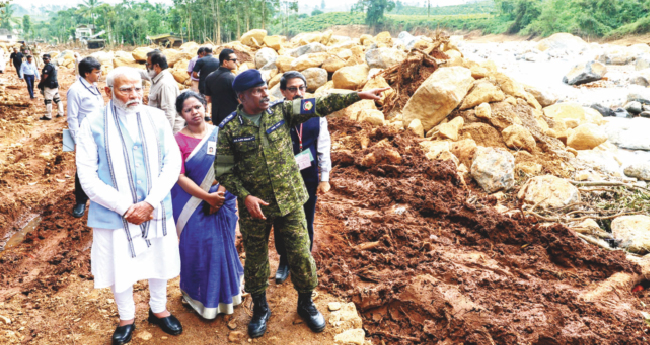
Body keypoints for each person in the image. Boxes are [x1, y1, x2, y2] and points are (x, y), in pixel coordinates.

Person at [214, 69, 388, 338]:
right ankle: (260, 308)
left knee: (301, 254)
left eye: (264, 88)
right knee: (257, 260)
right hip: (255, 208)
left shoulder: (281, 110)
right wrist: (245, 196)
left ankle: (306, 303)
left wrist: (358, 96)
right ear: (241, 97)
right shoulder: (229, 129)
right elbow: (224, 171)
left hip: (290, 200)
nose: (264, 94)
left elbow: (320, 104)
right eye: (257, 91)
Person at [75, 67, 183, 345]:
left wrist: (150, 202)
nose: (134, 94)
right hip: (113, 213)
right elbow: (86, 175)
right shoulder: (93, 123)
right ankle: (127, 318)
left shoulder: (156, 118)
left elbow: (171, 164)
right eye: (126, 89)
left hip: (155, 207)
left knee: (159, 259)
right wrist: (125, 207)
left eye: (138, 88)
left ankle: (158, 309)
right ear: (109, 92)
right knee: (118, 266)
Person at [171, 91, 244, 319]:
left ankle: (228, 294)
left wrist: (219, 196)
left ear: (205, 107)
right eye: (187, 109)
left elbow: (230, 165)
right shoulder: (177, 140)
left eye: (197, 107)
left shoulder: (220, 134)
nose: (194, 113)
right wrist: (207, 197)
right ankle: (198, 297)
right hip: (192, 204)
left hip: (222, 199)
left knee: (223, 246)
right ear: (181, 114)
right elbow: (179, 176)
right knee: (197, 249)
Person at [273, 72, 331, 285]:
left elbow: (323, 146)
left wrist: (324, 177)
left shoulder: (316, 113)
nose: (298, 93)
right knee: (281, 218)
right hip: (280, 176)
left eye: (301, 88)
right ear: (282, 91)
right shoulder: (275, 113)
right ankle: (284, 260)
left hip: (308, 174)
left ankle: (303, 259)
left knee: (307, 217)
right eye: (292, 89)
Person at [67, 57, 105, 218]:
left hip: (99, 132)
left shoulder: (93, 86)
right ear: (86, 73)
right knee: (83, 167)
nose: (100, 75)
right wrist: (76, 141)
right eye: (97, 72)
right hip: (84, 135)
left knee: (102, 163)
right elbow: (72, 118)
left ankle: (100, 196)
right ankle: (81, 201)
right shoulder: (75, 90)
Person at [138, 50, 183, 133]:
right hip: (158, 125)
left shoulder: (165, 84)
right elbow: (142, 74)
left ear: (156, 66)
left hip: (169, 130)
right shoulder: (157, 75)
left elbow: (169, 113)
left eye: (148, 64)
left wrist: (165, 136)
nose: (146, 67)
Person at [204, 48, 239, 125]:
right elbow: (240, 100)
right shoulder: (232, 78)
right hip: (232, 118)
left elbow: (208, 99)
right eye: (234, 60)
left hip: (217, 119)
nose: (236, 62)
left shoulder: (209, 77)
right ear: (225, 62)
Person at [38, 54, 64, 121]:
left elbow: (44, 77)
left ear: (50, 59)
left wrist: (40, 84)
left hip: (49, 86)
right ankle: (61, 113)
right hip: (55, 85)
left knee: (48, 101)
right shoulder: (53, 66)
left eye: (46, 58)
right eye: (43, 59)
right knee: (57, 99)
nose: (44, 60)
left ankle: (48, 115)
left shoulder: (48, 67)